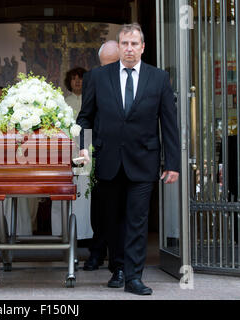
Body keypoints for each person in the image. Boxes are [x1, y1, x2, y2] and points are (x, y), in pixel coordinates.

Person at [77, 23, 180, 295]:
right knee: (112, 220)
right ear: (119, 46)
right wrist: (84, 147)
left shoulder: (158, 78)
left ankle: (134, 277)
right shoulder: (99, 77)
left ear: (143, 47)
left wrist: (172, 164)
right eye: (125, 43)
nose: (130, 48)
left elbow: (169, 124)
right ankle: (118, 268)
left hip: (144, 161)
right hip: (108, 159)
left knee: (137, 219)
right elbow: (85, 117)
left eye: (135, 44)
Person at [83, 40, 120, 271]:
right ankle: (97, 252)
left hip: (127, 152)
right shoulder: (93, 77)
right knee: (99, 207)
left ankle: (120, 261)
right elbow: (86, 114)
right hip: (100, 151)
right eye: (105, 64)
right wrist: (85, 149)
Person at [51, 66, 92, 241]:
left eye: (81, 78)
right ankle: (64, 232)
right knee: (65, 189)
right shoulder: (63, 103)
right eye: (74, 78)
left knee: (84, 192)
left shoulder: (91, 100)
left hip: (87, 151)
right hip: (67, 151)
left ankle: (84, 234)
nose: (77, 81)